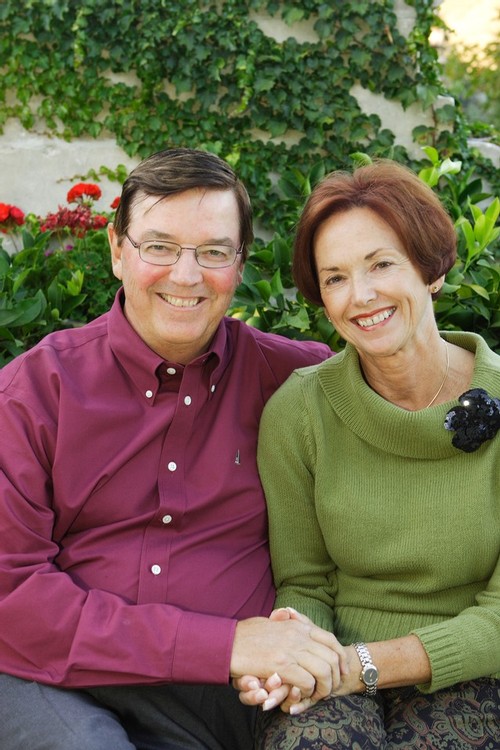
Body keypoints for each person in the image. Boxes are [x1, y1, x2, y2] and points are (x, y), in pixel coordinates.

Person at [0, 147, 347, 750]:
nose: (186, 276)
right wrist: (226, 643)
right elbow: (11, 591)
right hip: (54, 682)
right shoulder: (34, 391)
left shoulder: (298, 383)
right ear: (115, 251)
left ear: (240, 264)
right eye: (158, 247)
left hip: (223, 704)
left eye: (213, 252)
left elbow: (413, 386)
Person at [237, 160, 500, 749]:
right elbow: (305, 583)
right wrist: (295, 662)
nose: (361, 296)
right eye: (334, 278)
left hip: (475, 671)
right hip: (335, 666)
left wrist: (361, 665)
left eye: (382, 264)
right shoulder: (300, 411)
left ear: (429, 270)